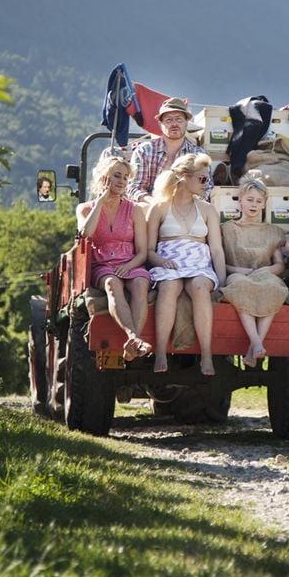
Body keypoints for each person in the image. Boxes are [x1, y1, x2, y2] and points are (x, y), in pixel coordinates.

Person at [146, 153, 226, 376]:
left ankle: (207, 354)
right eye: (202, 179)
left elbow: (217, 250)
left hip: (199, 263)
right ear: (183, 177)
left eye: (207, 179)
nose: (206, 184)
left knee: (200, 287)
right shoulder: (159, 208)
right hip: (168, 262)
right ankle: (160, 352)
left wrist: (222, 281)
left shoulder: (207, 209)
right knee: (169, 286)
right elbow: (149, 251)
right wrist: (161, 261)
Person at [76, 155, 152, 361]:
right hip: (103, 264)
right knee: (112, 284)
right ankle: (134, 337)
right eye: (116, 175)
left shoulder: (134, 210)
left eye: (126, 177)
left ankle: (133, 342)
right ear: (104, 177)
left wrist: (129, 266)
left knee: (140, 285)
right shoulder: (85, 208)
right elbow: (86, 234)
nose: (121, 181)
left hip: (131, 262)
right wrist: (100, 203)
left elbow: (143, 252)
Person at [220, 179, 287, 368]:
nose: (254, 205)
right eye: (250, 200)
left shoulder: (273, 231)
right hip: (238, 274)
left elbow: (279, 264)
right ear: (240, 200)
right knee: (241, 285)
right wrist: (241, 270)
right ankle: (256, 343)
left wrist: (268, 270)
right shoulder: (228, 228)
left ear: (265, 204)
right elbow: (221, 262)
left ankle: (254, 346)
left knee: (274, 287)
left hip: (265, 275)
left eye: (259, 201)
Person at [126, 97, 212, 204]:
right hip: (151, 211)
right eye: (168, 120)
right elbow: (135, 187)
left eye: (179, 119)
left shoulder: (198, 155)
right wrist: (156, 205)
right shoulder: (144, 151)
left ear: (186, 122)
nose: (174, 124)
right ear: (160, 124)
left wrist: (187, 207)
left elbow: (206, 189)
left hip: (188, 213)